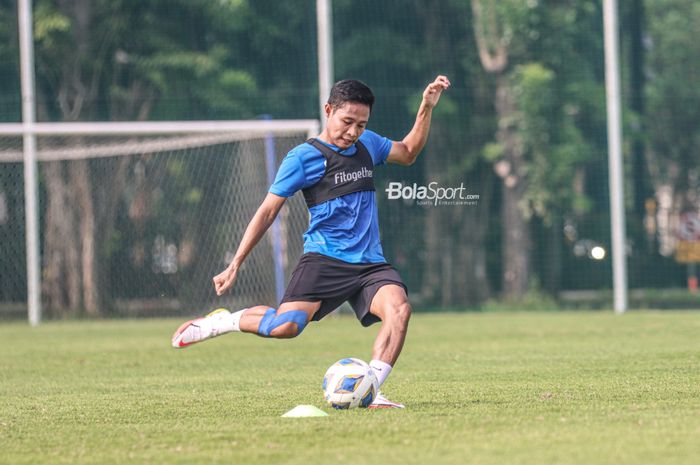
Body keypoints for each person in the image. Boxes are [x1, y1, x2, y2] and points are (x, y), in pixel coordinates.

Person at [171, 75, 450, 408]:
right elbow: (267, 212)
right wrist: (236, 263)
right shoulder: (303, 158)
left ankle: (371, 388)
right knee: (285, 327)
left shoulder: (368, 145)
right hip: (325, 260)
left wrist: (426, 107)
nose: (353, 131)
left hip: (370, 263)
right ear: (329, 110)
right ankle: (224, 321)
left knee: (399, 310)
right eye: (347, 121)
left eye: (361, 124)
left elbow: (407, 153)